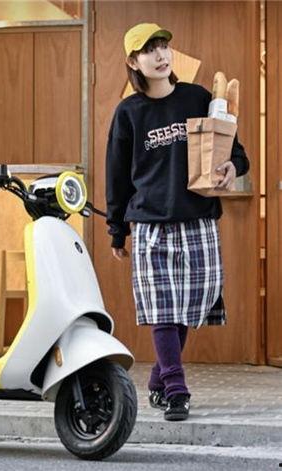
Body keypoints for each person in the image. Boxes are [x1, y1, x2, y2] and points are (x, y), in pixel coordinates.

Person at [105, 23, 250, 421]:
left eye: (164, 46)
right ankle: (175, 388)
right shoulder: (128, 113)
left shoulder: (197, 98)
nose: (160, 55)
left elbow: (236, 152)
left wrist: (231, 167)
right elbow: (116, 176)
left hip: (198, 220)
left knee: (187, 306)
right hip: (150, 224)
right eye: (149, 50)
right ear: (133, 61)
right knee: (163, 309)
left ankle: (158, 377)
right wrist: (117, 229)